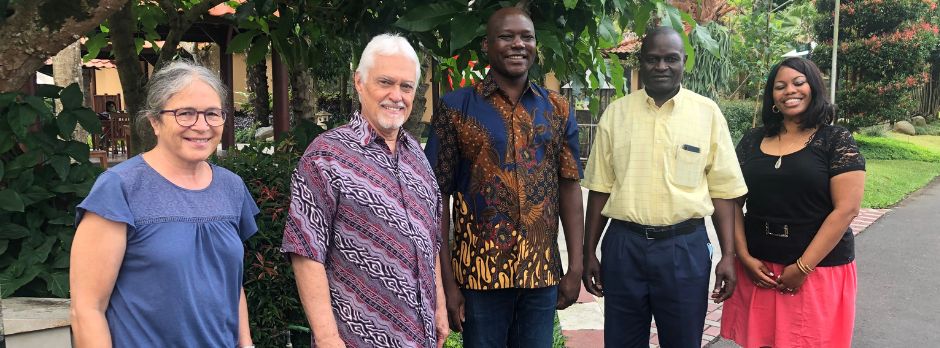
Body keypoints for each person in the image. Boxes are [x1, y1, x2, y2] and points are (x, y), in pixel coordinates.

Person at [424, 7, 584, 347]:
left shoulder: (557, 108)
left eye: (526, 37)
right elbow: (436, 198)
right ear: (486, 45)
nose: (518, 44)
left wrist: (575, 268)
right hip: (480, 278)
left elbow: (569, 187)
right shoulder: (455, 108)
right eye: (506, 36)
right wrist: (448, 284)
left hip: (539, 275)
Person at [70, 60, 258, 347]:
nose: (201, 126)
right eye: (185, 114)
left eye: (212, 114)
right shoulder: (120, 188)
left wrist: (246, 344)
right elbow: (87, 309)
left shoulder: (231, 187)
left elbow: (231, 286)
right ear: (154, 121)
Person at [581, 26, 748, 347]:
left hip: (684, 248)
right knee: (622, 341)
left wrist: (728, 255)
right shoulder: (616, 114)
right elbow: (600, 188)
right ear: (640, 62)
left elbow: (724, 192)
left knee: (683, 341)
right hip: (623, 247)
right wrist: (589, 251)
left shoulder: (707, 114)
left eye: (670, 59)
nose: (661, 66)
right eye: (652, 59)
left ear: (684, 62)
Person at [281, 33, 448, 348]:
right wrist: (328, 337)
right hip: (356, 339)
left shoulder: (417, 156)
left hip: (420, 337)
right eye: (385, 82)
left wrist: (439, 307)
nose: (396, 96)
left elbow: (430, 241)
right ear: (359, 82)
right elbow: (305, 251)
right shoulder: (325, 156)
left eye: (406, 86)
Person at [720, 57, 865, 348]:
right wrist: (744, 257)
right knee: (760, 342)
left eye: (798, 83)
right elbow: (731, 201)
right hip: (760, 267)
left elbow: (847, 209)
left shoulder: (835, 139)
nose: (790, 91)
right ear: (772, 97)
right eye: (780, 86)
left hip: (817, 269)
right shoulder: (752, 140)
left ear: (813, 87)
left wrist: (802, 267)